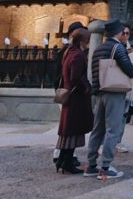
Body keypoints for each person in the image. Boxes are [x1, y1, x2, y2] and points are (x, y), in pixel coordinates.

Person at [84, 19, 133, 180]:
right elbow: (129, 70)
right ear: (118, 32)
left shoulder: (99, 48)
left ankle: (91, 165)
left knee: (97, 129)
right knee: (113, 129)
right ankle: (105, 166)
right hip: (114, 91)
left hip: (100, 91)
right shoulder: (117, 47)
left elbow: (93, 70)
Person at [56, 28, 92, 174]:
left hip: (70, 96)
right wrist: (87, 86)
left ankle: (62, 160)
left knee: (68, 131)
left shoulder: (69, 53)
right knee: (72, 130)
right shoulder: (77, 55)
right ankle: (67, 163)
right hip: (76, 97)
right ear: (83, 40)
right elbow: (75, 76)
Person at [115, 24, 133, 154]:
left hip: (128, 86)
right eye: (124, 33)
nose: (125, 36)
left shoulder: (131, 48)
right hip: (115, 86)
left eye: (128, 33)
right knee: (112, 117)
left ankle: (118, 141)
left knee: (123, 116)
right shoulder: (116, 48)